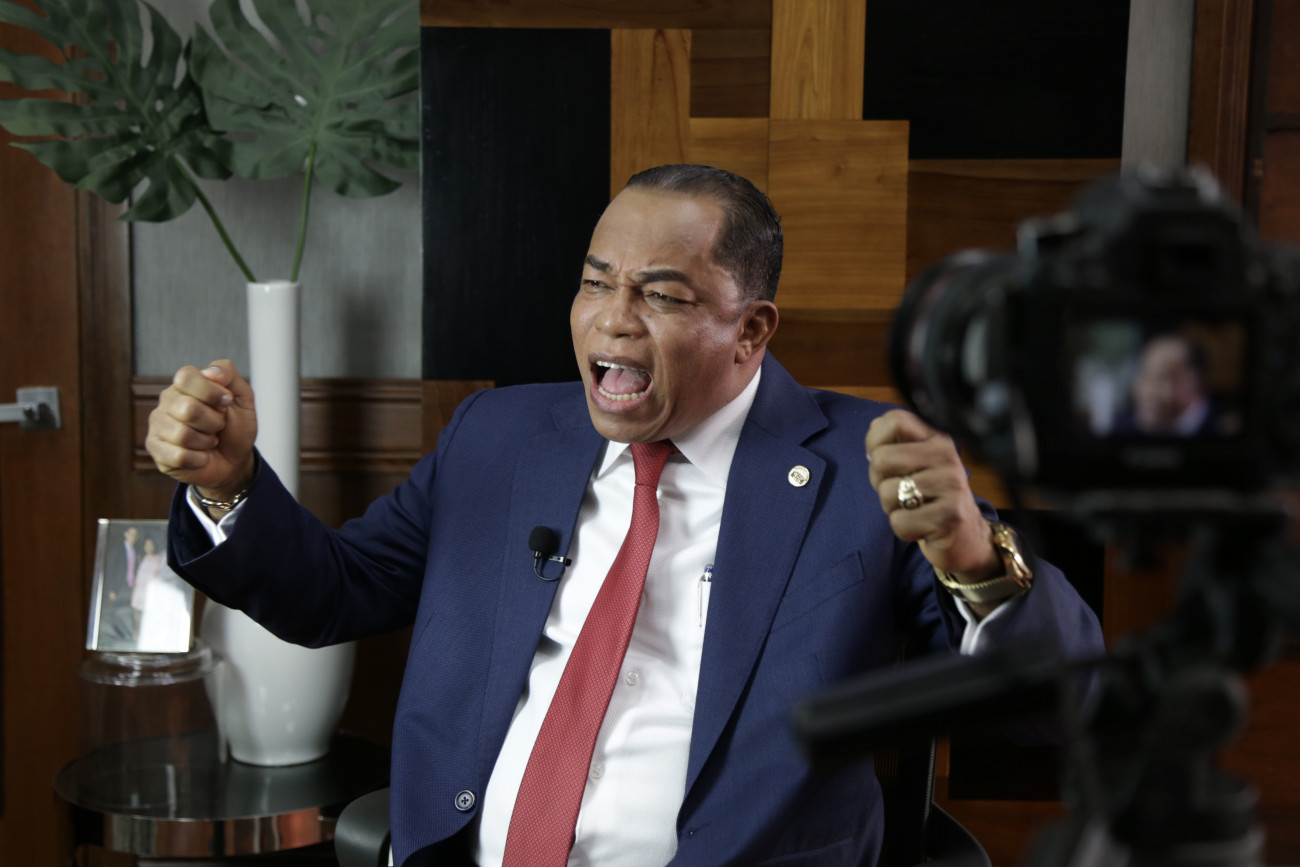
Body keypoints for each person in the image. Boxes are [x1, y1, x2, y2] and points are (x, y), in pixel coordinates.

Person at [146, 164, 1103, 867]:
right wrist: (229, 485)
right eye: (597, 281)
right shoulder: (497, 437)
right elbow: (334, 591)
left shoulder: (861, 466)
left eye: (661, 294)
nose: (613, 318)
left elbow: (1057, 706)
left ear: (751, 329)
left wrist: (973, 554)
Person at [1114, 332, 1216, 436]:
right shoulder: (1122, 427)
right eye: (1143, 376)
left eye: (1161, 378)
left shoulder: (1216, 426)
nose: (1146, 391)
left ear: (1191, 382)